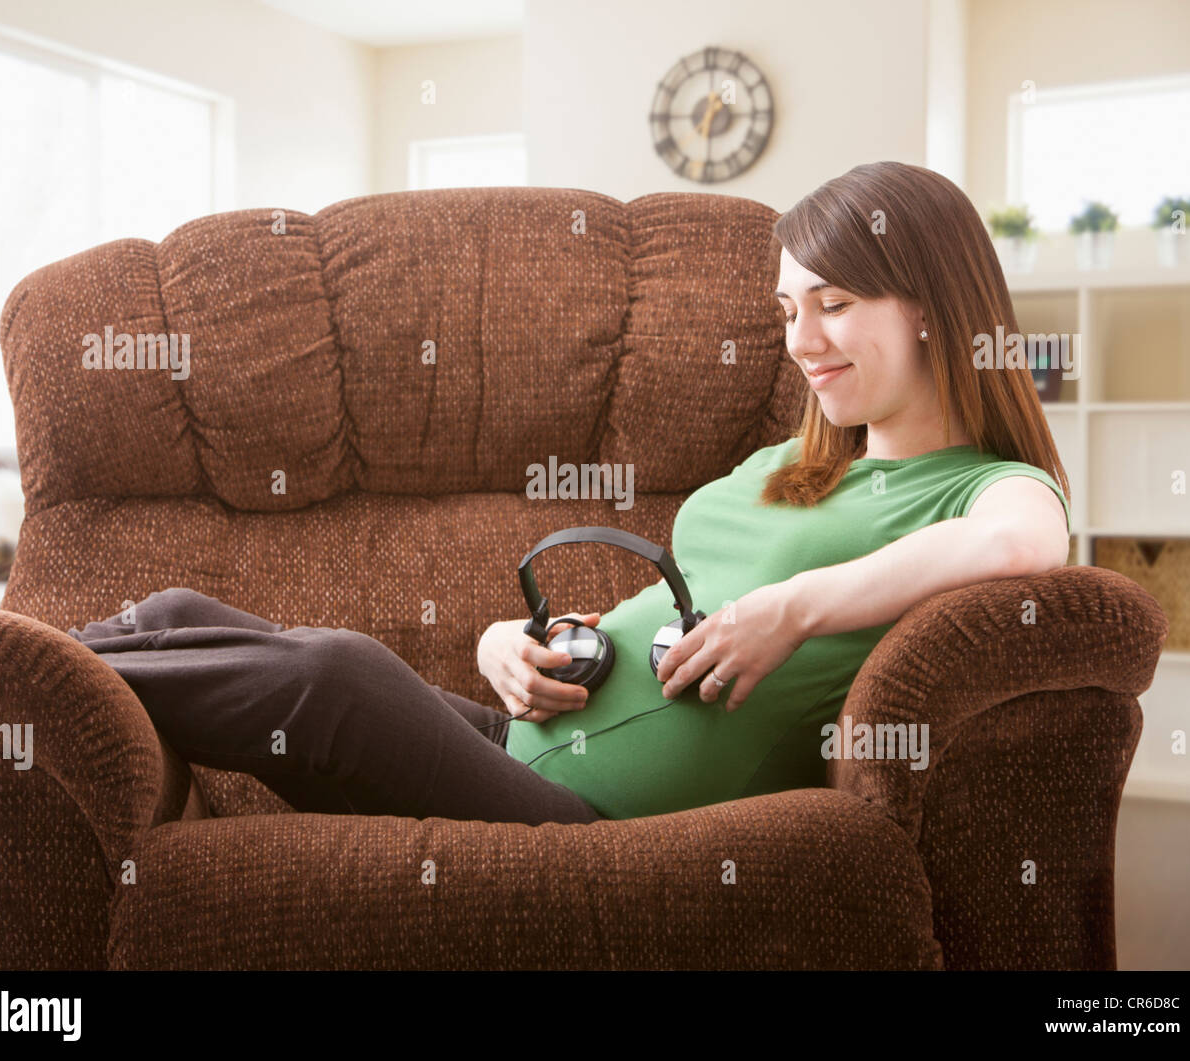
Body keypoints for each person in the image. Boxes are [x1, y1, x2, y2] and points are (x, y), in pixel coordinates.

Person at [67, 161, 1071, 828]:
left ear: (935, 307)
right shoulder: (789, 465)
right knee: (175, 613)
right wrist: (507, 645)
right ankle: (19, 683)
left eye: (835, 304)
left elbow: (1024, 549)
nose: (801, 340)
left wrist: (791, 607)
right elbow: (673, 606)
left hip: (581, 812)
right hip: (515, 735)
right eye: (786, 308)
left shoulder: (987, 488)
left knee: (335, 673)